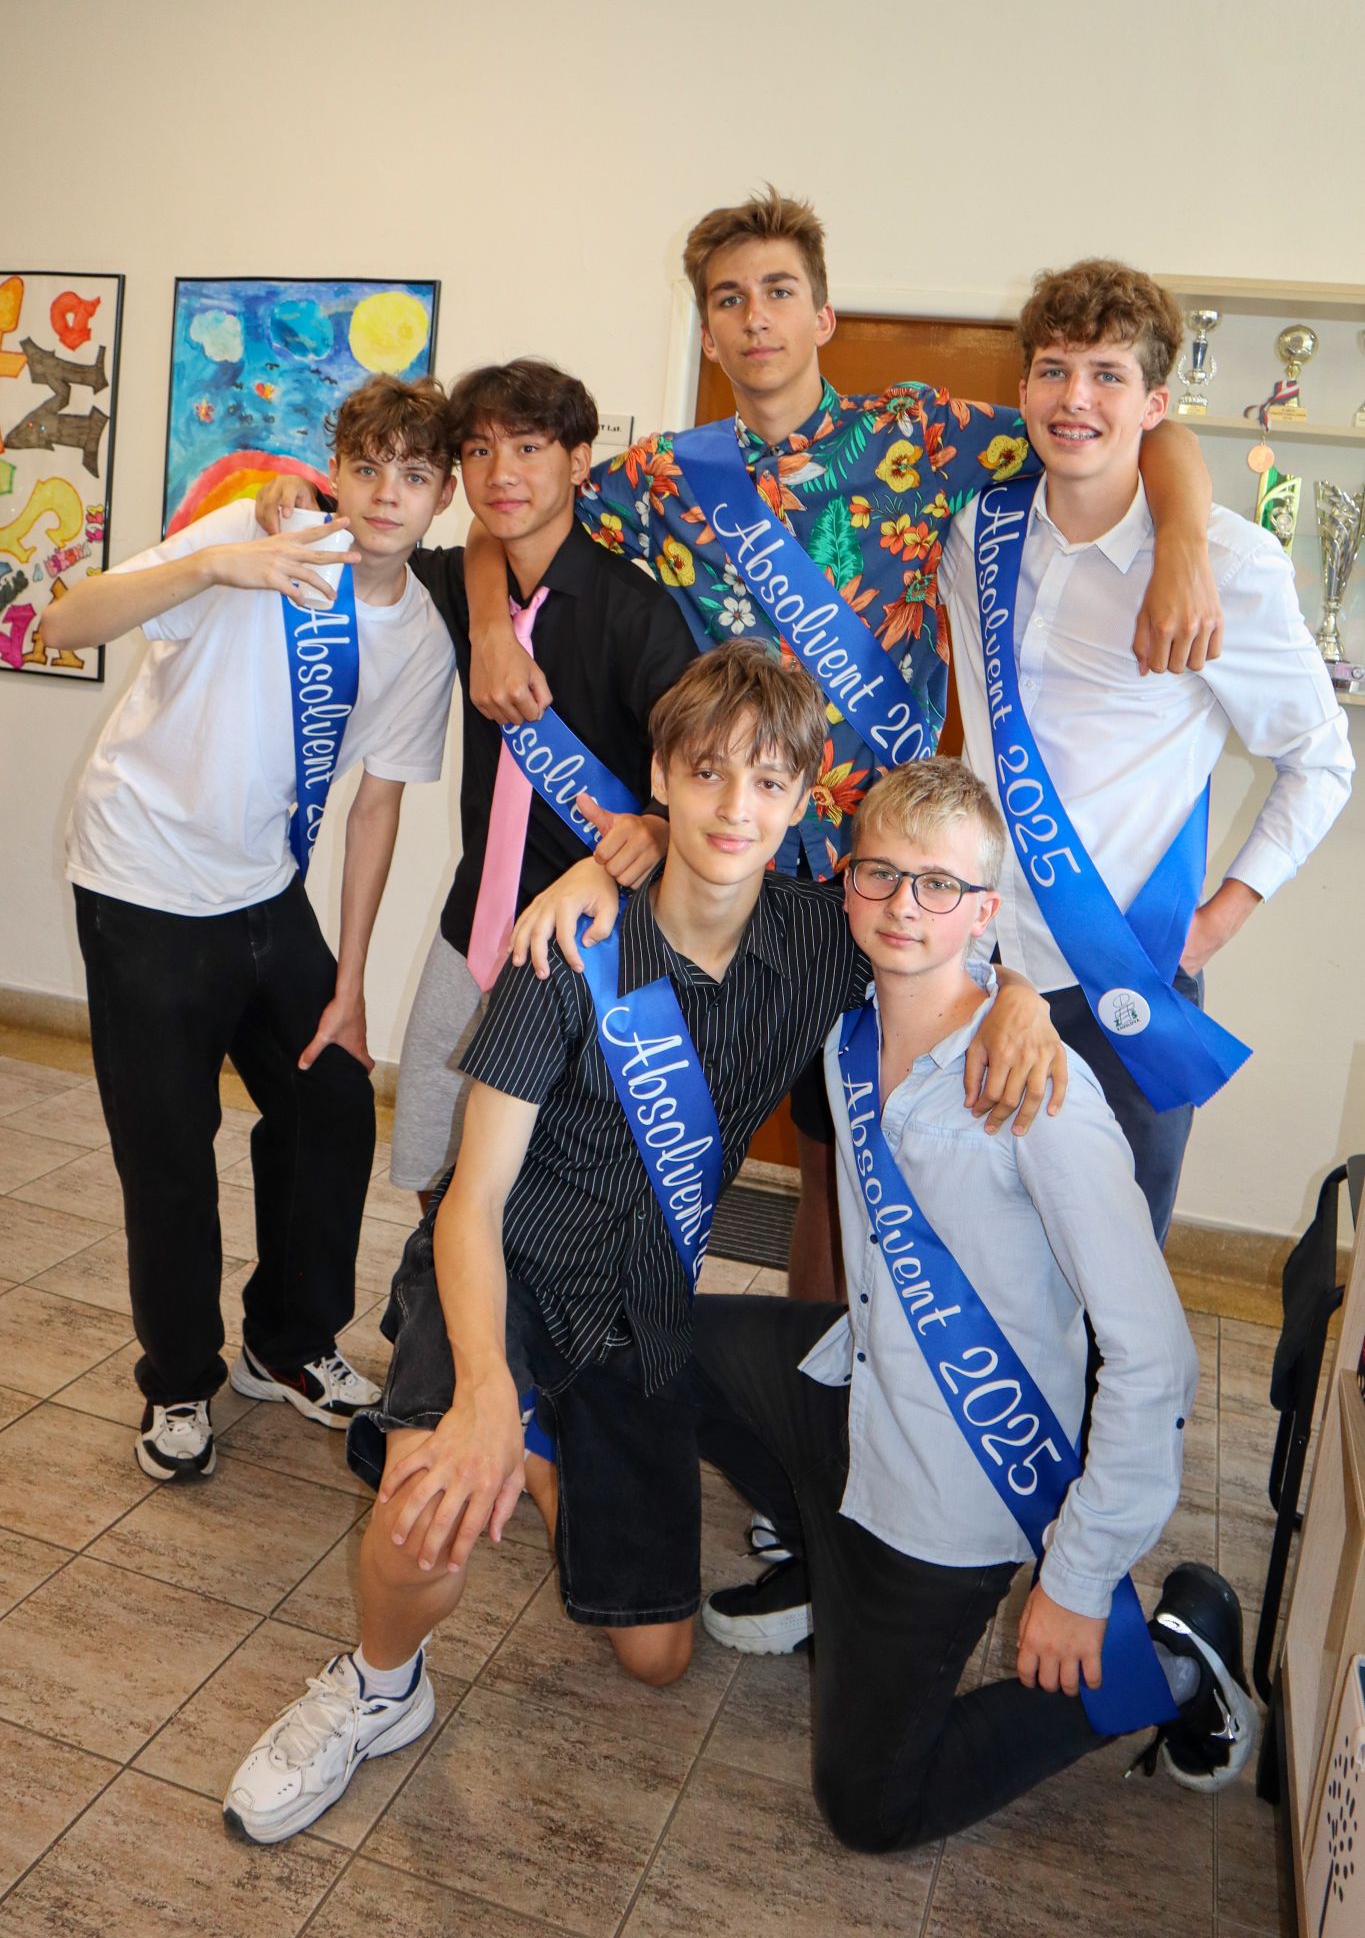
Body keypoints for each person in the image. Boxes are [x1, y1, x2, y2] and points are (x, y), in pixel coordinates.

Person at [221, 644, 1065, 1846]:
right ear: (660, 773)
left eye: (767, 781)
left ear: (801, 799)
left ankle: (541, 1448)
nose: (735, 805)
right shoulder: (570, 941)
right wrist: (481, 1387)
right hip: (508, 1274)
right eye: (707, 771)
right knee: (429, 1506)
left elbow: (941, 929)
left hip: (644, 1307)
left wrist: (1019, 993)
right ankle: (377, 1682)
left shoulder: (821, 942)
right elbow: (471, 1200)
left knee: (657, 1654)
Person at [456, 189, 1222, 1299]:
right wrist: (488, 621)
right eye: (729, 300)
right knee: (728, 1127)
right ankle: (746, 1364)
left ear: (822, 314)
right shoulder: (662, 478)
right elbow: (511, 514)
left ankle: (878, 1378)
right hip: (744, 864)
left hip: (889, 871)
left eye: (778, 291)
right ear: (707, 332)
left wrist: (1185, 540)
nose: (755, 317)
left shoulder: (918, 433)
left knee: (885, 1142)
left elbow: (1135, 428)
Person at [694, 759, 1258, 1851]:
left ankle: (1171, 1664)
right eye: (881, 874)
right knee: (656, 1346)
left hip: (957, 1480)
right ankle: (817, 1558)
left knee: (869, 1809)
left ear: (986, 911)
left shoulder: (1036, 1092)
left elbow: (1156, 1361)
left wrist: (1079, 1581)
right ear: (847, 882)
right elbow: (719, 895)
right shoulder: (851, 1024)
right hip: (857, 1385)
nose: (905, 906)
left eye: (940, 885)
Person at [45, 375, 459, 1483]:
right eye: (367, 466)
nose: (387, 493)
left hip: (264, 892)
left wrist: (351, 981)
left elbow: (376, 807)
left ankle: (286, 1342)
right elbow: (63, 620)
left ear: (443, 496)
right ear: (338, 469)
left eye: (415, 474)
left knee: (331, 1104)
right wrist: (214, 564)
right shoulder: (257, 533)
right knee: (169, 1148)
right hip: (139, 881)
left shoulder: (421, 637)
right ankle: (180, 1377)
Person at [937, 259, 1353, 1241]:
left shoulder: (1229, 565)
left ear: (1155, 404)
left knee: (1108, 1276)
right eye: (1052, 370)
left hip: (1121, 975)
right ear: (1024, 387)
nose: (1074, 398)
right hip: (974, 961)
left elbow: (1321, 760)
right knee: (970, 1258)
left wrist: (1217, 920)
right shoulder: (975, 533)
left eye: (1107, 375)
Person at [383, 360, 699, 1211]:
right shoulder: (457, 588)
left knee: (544, 1173)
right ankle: (436, 1290)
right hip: (475, 918)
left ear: (579, 461)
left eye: (528, 447)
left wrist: (661, 826)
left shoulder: (635, 611)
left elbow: (702, 755)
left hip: (588, 931)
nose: (502, 473)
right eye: (479, 451)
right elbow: (364, 534)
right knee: (433, 1142)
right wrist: (286, 499)